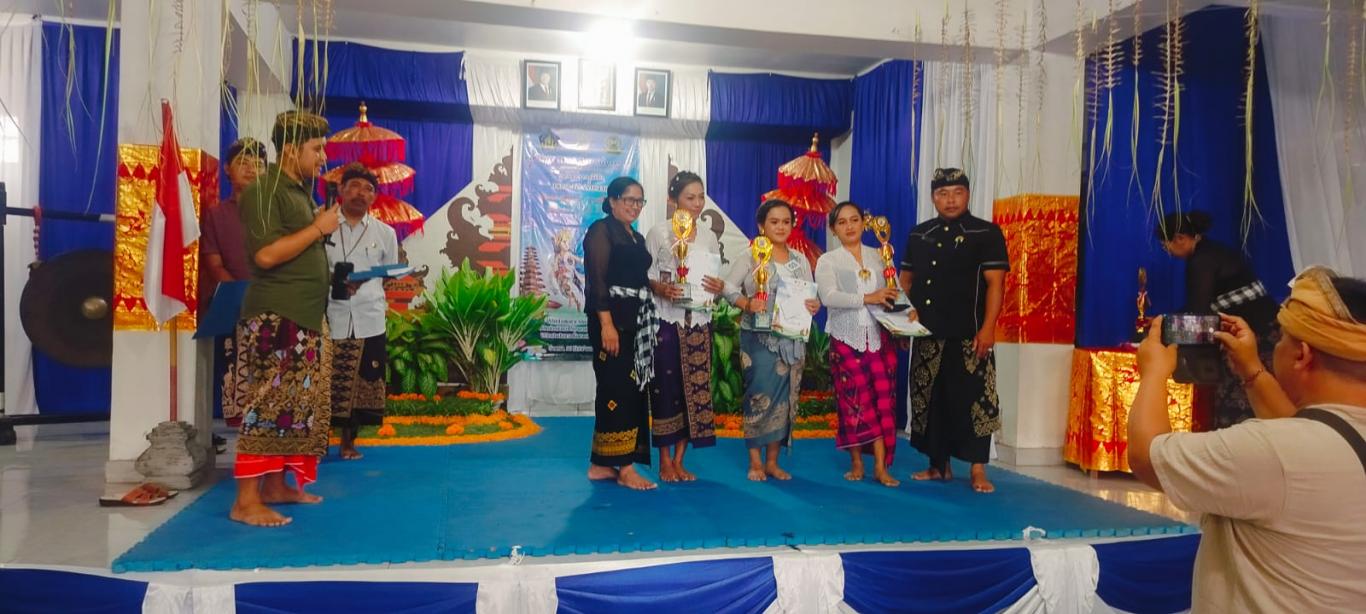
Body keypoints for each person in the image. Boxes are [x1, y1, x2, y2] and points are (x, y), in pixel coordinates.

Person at [1129, 267, 1366, 612]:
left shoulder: (1271, 453)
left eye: (1281, 338)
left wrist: (1153, 372)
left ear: (1302, 355)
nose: (1276, 346)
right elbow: (1314, 433)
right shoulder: (1319, 443)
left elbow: (1146, 456)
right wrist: (1250, 368)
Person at [229, 110, 338, 527]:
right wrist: (318, 228)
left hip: (304, 314)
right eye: (316, 148)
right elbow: (266, 255)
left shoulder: (297, 191)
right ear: (291, 149)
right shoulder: (263, 191)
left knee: (292, 406)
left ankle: (275, 487)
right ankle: (245, 501)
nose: (323, 157)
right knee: (268, 403)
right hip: (276, 315)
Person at [898, 167, 1009, 493]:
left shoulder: (986, 233)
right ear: (933, 198)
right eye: (943, 194)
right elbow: (906, 282)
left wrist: (988, 328)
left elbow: (996, 285)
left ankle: (977, 469)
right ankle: (938, 465)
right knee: (930, 401)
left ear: (968, 195)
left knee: (976, 401)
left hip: (969, 335)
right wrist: (901, 325)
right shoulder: (919, 234)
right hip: (926, 333)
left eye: (957, 193)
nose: (950, 200)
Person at [723, 199, 821, 482]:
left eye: (786, 222)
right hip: (759, 339)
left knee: (786, 399)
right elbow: (727, 286)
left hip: (792, 340)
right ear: (761, 226)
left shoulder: (800, 260)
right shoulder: (750, 256)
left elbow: (810, 294)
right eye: (774, 222)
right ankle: (755, 461)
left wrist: (814, 304)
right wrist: (746, 303)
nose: (780, 227)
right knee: (759, 395)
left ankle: (773, 462)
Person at [1157, 210, 1280, 430]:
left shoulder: (1200, 262)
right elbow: (1202, 304)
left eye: (1165, 245)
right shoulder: (1214, 251)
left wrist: (1162, 331)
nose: (1167, 251)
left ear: (1179, 238)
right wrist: (1163, 320)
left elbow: (1200, 316)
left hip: (1256, 337)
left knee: (1244, 400)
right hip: (1270, 330)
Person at [645, 171, 724, 482]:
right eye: (690, 197)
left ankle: (680, 459)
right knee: (666, 391)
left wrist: (717, 286)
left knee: (696, 391)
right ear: (672, 200)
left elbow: (715, 277)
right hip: (667, 321)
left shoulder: (708, 237)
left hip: (699, 323)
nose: (697, 203)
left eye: (701, 197)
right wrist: (660, 288)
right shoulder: (658, 233)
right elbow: (646, 275)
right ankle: (665, 461)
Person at [815, 201, 901, 487]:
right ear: (833, 229)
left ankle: (880, 466)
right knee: (855, 401)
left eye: (854, 220)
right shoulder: (828, 260)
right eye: (842, 222)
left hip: (879, 338)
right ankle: (856, 462)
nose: (849, 226)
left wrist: (905, 318)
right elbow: (828, 297)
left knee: (882, 402)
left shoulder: (880, 254)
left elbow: (894, 291)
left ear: (864, 223)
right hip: (845, 338)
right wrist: (868, 298)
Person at [583, 176, 657, 491]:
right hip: (611, 322)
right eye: (628, 199)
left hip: (636, 322)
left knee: (632, 390)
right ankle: (625, 468)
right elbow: (597, 282)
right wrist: (607, 325)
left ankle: (601, 464)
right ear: (612, 201)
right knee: (616, 390)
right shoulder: (601, 231)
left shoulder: (636, 237)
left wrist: (660, 288)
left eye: (639, 201)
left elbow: (639, 279)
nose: (634, 206)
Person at [324, 163, 398, 461]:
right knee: (328, 379)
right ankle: (317, 441)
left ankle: (348, 442)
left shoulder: (385, 233)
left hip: (369, 316)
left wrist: (365, 284)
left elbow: (389, 273)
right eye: (354, 186)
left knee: (363, 381)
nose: (360, 193)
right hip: (331, 313)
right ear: (341, 190)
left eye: (368, 189)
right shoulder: (323, 225)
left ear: (374, 198)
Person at [201, 138, 265, 449]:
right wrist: (241, 294)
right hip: (235, 307)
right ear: (227, 169)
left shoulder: (276, 211)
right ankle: (249, 451)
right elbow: (214, 264)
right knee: (238, 384)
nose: (252, 169)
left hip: (274, 305)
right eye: (244, 163)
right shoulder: (216, 214)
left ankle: (273, 450)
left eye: (259, 164)